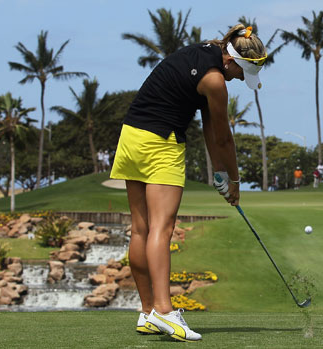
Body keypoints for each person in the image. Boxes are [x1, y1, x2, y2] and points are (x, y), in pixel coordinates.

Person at [109, 24, 266, 342]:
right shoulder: (215, 81)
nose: (237, 79)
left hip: (131, 136)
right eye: (240, 73)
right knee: (161, 228)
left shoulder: (205, 52)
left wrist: (219, 174)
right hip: (161, 142)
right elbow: (223, 137)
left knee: (141, 228)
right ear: (233, 62)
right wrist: (234, 181)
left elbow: (210, 127)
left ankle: (148, 313)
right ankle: (166, 311)